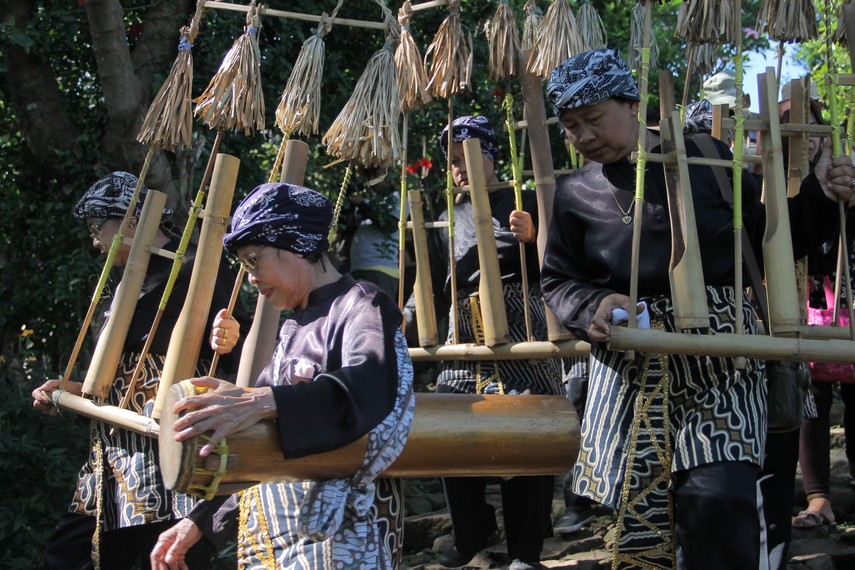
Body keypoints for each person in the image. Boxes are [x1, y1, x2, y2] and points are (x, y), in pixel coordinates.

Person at [540, 48, 855, 569]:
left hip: (722, 356)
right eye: (571, 127)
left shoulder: (707, 158)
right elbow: (558, 280)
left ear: (632, 103)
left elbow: (771, 238)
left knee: (720, 497)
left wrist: (826, 197)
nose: (583, 136)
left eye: (594, 118)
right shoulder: (575, 193)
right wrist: (595, 304)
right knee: (645, 522)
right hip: (635, 365)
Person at [149, 182, 415, 569]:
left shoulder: (363, 305)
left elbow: (367, 386)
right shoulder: (292, 327)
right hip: (276, 538)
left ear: (297, 244)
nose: (251, 278)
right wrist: (197, 522)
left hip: (343, 539)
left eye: (253, 259)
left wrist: (266, 399)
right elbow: (260, 438)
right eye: (244, 265)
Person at [31, 171, 247, 569]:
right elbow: (120, 380)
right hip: (113, 453)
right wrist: (71, 389)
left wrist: (231, 338)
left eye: (99, 227)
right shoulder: (126, 282)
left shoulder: (199, 269)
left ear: (131, 221)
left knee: (169, 556)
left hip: (169, 447)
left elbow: (240, 354)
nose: (96, 243)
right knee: (65, 556)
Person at [425, 115, 562, 570]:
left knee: (525, 428)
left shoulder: (523, 199)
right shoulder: (450, 211)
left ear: (490, 156)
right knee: (450, 427)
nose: (457, 170)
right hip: (464, 325)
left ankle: (526, 548)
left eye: (464, 158)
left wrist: (532, 238)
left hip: (520, 317)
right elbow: (437, 278)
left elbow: (561, 263)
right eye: (450, 163)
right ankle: (473, 532)